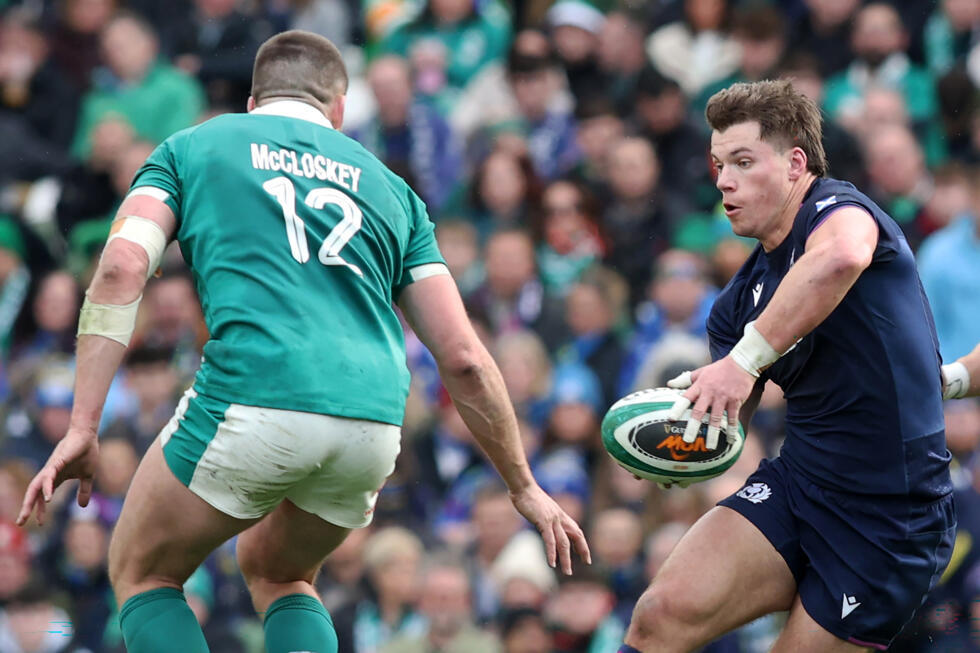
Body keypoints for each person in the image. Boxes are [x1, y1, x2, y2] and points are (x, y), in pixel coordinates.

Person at [16, 30, 590, 653]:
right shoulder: (393, 190)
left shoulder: (195, 146)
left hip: (254, 395)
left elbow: (122, 268)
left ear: (255, 100)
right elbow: (465, 358)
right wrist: (523, 485)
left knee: (144, 572)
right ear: (338, 109)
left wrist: (83, 424)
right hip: (372, 423)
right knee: (281, 573)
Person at [618, 80, 955, 652]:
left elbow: (842, 257)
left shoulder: (840, 211)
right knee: (660, 615)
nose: (725, 180)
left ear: (796, 163)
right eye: (719, 164)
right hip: (800, 484)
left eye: (744, 162)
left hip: (891, 518)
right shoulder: (735, 304)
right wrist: (679, 440)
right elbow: (728, 424)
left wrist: (744, 362)